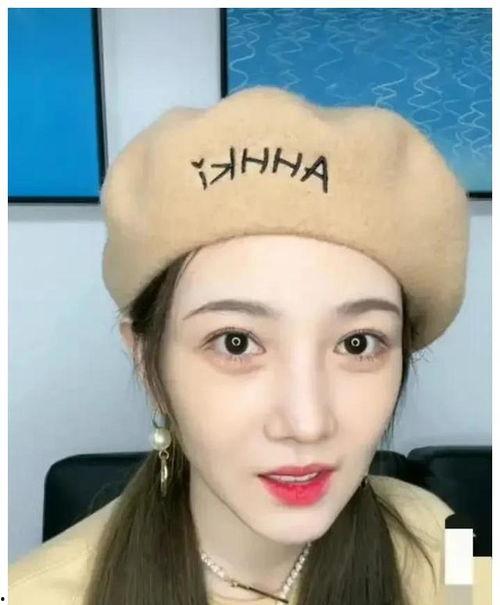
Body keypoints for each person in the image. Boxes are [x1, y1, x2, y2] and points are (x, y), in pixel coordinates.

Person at [9, 86, 471, 604]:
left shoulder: (445, 536)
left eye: (358, 343)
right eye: (236, 343)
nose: (307, 423)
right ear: (146, 363)